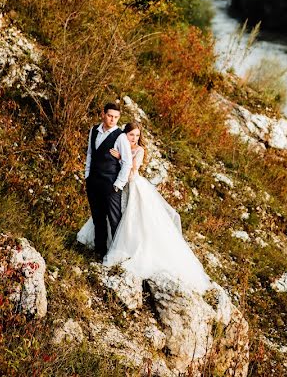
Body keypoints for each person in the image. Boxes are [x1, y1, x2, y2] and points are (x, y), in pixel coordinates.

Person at [79, 122, 212, 292]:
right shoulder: (118, 142)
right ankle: (105, 244)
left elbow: (133, 169)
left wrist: (120, 158)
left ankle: (126, 248)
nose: (133, 138)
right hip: (116, 185)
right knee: (111, 215)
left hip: (132, 186)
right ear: (124, 135)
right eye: (131, 135)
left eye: (136, 135)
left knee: (132, 219)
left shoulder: (138, 150)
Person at [82, 102, 133, 257]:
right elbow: (90, 154)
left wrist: (118, 184)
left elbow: (127, 162)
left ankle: (118, 254)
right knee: (98, 218)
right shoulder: (94, 130)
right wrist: (87, 175)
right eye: (110, 116)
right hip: (93, 181)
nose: (112, 120)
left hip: (111, 183)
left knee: (114, 219)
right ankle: (100, 252)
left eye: (116, 117)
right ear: (103, 114)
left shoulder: (120, 136)